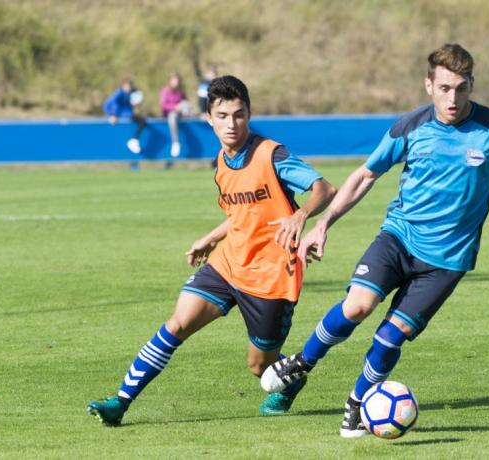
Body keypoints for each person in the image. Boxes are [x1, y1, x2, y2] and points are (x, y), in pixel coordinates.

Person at [260, 43, 489, 438]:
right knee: (358, 306)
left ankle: (357, 404)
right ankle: (302, 364)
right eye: (444, 88)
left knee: (392, 335)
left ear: (472, 86)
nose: (453, 98)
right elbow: (364, 176)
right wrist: (323, 224)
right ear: (429, 85)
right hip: (399, 237)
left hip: (448, 260)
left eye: (461, 88)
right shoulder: (410, 126)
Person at [86, 75, 337, 426]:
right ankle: (120, 402)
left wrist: (301, 215)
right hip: (228, 264)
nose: (231, 124)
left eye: (238, 115)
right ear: (209, 119)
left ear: (249, 114)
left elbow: (324, 188)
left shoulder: (272, 154)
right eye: (222, 116)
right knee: (177, 323)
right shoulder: (220, 162)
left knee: (260, 367)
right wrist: (211, 237)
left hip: (271, 276)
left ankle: (289, 382)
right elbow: (240, 215)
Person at [103, 78, 146, 155]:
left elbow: (131, 103)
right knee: (142, 120)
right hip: (123, 115)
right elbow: (112, 104)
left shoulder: (130, 93)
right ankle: (134, 140)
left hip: (126, 114)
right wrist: (113, 115)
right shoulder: (119, 93)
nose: (128, 88)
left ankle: (134, 140)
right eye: (126, 86)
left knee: (142, 120)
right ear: (123, 86)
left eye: (129, 86)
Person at [160, 72, 191, 158]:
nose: (176, 82)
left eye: (177, 80)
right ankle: (175, 142)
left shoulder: (180, 92)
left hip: (180, 114)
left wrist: (185, 108)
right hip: (170, 114)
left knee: (185, 104)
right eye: (174, 80)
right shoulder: (165, 91)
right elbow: (164, 105)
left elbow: (186, 102)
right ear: (170, 81)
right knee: (173, 116)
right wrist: (175, 107)